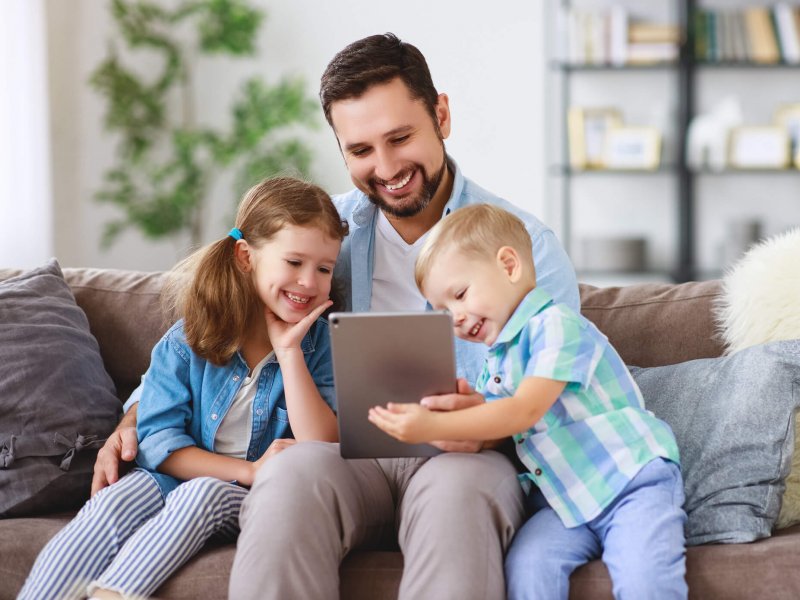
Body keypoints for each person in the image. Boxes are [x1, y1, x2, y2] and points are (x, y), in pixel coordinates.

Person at [93, 33, 580, 599]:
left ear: (441, 115)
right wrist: (132, 418)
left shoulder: (525, 248)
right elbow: (227, 324)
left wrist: (491, 426)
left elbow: (564, 395)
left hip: (466, 458)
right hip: (346, 457)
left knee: (458, 497)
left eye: (401, 137)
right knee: (286, 478)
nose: (389, 167)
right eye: (362, 151)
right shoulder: (326, 239)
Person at [18, 177, 347, 600]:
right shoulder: (189, 337)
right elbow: (157, 440)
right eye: (294, 262)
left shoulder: (321, 345)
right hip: (176, 477)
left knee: (202, 493)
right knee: (110, 505)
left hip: (248, 498)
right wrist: (247, 469)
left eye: (324, 268)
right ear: (246, 257)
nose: (308, 281)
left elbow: (321, 442)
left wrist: (290, 353)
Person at [369, 203, 688, 600]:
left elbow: (523, 410)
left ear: (508, 266)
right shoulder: (496, 361)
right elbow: (496, 431)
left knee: (646, 579)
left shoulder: (556, 326)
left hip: (628, 482)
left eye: (460, 294)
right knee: (528, 570)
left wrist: (433, 426)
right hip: (562, 499)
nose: (454, 317)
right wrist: (461, 416)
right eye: (442, 310)